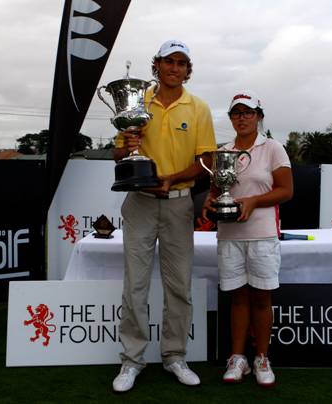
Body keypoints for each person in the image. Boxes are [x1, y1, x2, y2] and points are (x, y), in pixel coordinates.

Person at [111, 39, 217, 393]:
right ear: (156, 65)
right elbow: (118, 155)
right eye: (169, 61)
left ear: (189, 69)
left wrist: (174, 178)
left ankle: (174, 356)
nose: (175, 68)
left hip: (178, 202)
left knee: (178, 286)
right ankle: (132, 360)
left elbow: (207, 162)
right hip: (140, 202)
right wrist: (124, 146)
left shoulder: (198, 107)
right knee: (135, 286)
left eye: (182, 63)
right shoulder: (136, 102)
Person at [203, 91, 293, 387]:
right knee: (238, 297)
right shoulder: (224, 151)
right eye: (236, 113)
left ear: (258, 116)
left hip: (263, 234)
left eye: (248, 112)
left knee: (261, 297)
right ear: (230, 118)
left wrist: (253, 201)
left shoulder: (272, 148)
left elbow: (286, 191)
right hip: (230, 234)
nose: (242, 117)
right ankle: (237, 358)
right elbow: (218, 191)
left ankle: (262, 357)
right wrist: (209, 200)